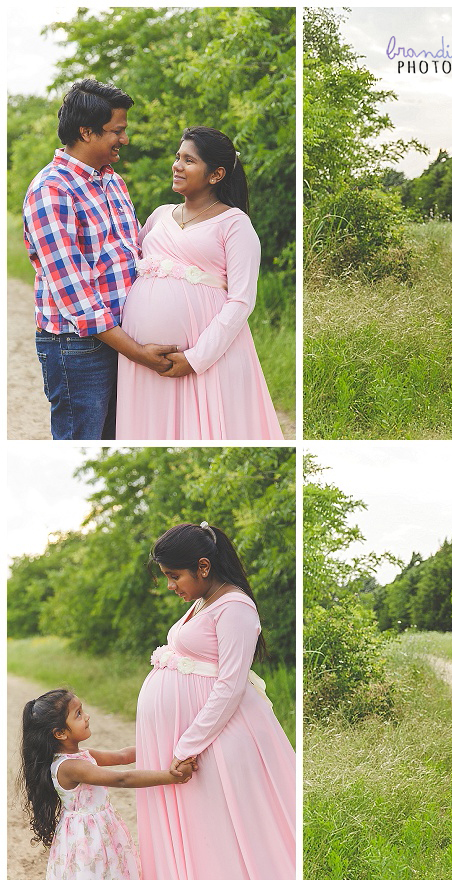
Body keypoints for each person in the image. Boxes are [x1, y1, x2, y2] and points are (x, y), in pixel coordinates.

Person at [136, 522, 295, 878]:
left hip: (220, 740)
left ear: (203, 567)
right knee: (206, 831)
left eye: (174, 575)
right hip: (203, 740)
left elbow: (230, 685)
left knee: (226, 831)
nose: (171, 585)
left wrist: (187, 745)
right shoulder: (206, 601)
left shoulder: (236, 607)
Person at [24, 78, 178, 440]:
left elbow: (137, 256)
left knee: (118, 438)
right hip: (79, 348)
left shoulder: (113, 182)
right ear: (86, 132)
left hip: (121, 338)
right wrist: (139, 353)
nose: (124, 139)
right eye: (117, 131)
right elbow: (74, 295)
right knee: (84, 441)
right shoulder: (51, 191)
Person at [116, 126, 283, 439]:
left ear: (216, 174)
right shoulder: (159, 215)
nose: (177, 165)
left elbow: (242, 300)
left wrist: (196, 359)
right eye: (178, 157)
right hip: (142, 361)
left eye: (188, 160)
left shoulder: (234, 224)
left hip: (203, 359)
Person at [19, 688, 194, 879]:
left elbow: (122, 755)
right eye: (78, 714)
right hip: (87, 837)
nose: (87, 717)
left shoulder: (82, 754)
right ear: (60, 733)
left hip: (102, 827)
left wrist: (167, 746)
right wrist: (172, 777)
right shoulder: (70, 766)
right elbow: (122, 778)